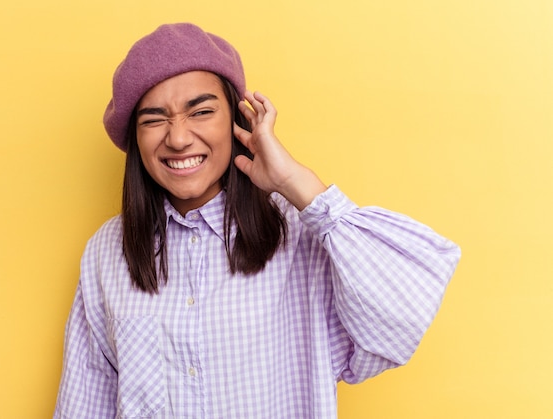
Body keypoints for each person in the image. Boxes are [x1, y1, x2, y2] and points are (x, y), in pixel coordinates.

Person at [54, 23, 461, 418]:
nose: (177, 138)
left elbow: (401, 320)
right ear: (135, 139)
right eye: (154, 119)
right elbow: (86, 400)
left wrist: (295, 182)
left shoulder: (302, 235)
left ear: (239, 121)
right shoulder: (107, 251)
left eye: (201, 111)